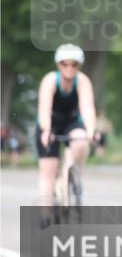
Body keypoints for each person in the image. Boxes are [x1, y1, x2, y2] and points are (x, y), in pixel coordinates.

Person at [36, 44, 97, 228]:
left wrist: (91, 131)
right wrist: (46, 131)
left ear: (79, 66)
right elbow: (44, 109)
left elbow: (87, 108)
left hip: (71, 122)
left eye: (74, 64)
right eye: (65, 64)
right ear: (58, 64)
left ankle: (74, 172)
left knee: (80, 140)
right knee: (49, 168)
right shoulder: (50, 81)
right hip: (50, 124)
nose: (69, 68)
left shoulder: (83, 81)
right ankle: (46, 215)